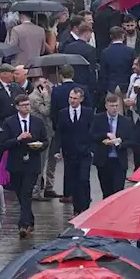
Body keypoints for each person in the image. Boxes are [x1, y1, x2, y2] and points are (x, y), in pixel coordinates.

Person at [0, 94, 48, 238]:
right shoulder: (9, 122)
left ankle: (23, 225)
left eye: (28, 104)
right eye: (24, 105)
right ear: (17, 107)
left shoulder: (38, 122)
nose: (27, 107)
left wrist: (39, 145)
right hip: (16, 164)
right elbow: (2, 145)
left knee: (26, 192)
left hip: (32, 163)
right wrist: (18, 139)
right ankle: (30, 220)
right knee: (20, 194)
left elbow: (45, 141)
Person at [56, 87, 95, 215]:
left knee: (84, 179)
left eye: (75, 98)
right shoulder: (63, 113)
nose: (72, 101)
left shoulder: (88, 112)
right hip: (69, 153)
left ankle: (85, 205)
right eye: (70, 98)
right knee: (73, 180)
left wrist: (91, 148)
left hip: (84, 152)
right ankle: (77, 209)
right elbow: (59, 133)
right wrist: (57, 150)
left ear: (81, 99)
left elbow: (92, 131)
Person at [95, 93, 134, 201]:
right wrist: (105, 136)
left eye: (117, 105)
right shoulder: (98, 119)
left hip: (119, 161)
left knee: (118, 193)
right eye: (112, 106)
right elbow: (92, 135)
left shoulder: (126, 121)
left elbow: (131, 140)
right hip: (104, 161)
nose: (115, 108)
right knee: (107, 192)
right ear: (106, 106)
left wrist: (119, 142)